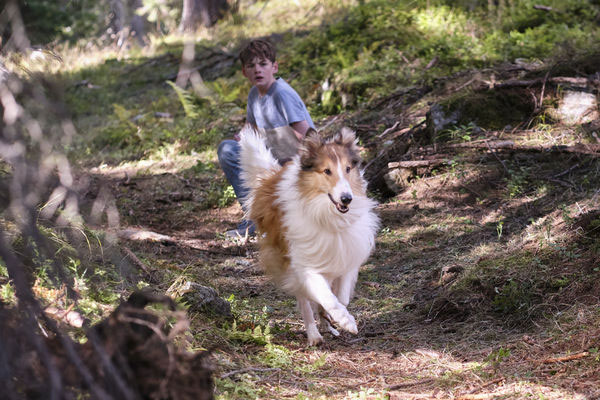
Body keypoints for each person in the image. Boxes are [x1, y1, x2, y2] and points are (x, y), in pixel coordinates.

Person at [217, 39, 316, 238]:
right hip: (271, 163)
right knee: (228, 150)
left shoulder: (281, 94)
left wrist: (303, 170)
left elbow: (307, 135)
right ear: (245, 72)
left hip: (295, 166)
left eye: (263, 64)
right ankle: (254, 220)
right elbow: (250, 128)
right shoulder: (255, 94)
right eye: (251, 66)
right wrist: (240, 138)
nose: (257, 70)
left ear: (274, 67)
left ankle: (276, 220)